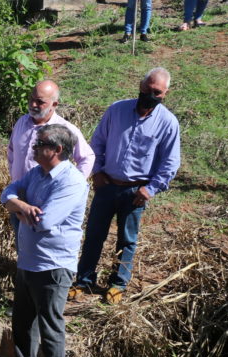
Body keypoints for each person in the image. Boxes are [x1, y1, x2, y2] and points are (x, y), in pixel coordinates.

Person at [69, 68, 181, 305]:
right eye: (146, 88)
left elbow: (170, 163)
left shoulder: (168, 123)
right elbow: (97, 142)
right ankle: (84, 280)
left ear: (165, 93)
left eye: (156, 92)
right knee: (93, 235)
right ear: (140, 85)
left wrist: (150, 189)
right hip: (106, 185)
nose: (150, 93)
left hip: (136, 193)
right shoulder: (116, 110)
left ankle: (118, 283)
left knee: (127, 239)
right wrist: (96, 171)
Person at [0, 124, 89, 357]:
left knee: (50, 324)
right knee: (22, 320)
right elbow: (8, 193)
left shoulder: (72, 182)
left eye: (40, 145)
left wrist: (21, 208)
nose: (34, 148)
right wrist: (22, 206)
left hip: (53, 265)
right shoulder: (38, 173)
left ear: (57, 150)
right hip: (28, 260)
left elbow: (46, 221)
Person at [7, 81, 93, 250]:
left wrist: (72, 186)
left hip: (45, 202)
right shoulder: (21, 122)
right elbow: (11, 151)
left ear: (54, 104)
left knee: (41, 247)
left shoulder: (64, 130)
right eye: (31, 99)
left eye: (40, 101)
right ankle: (23, 272)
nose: (33, 104)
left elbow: (87, 157)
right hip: (19, 198)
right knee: (22, 244)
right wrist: (15, 178)